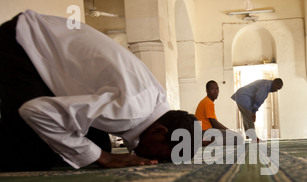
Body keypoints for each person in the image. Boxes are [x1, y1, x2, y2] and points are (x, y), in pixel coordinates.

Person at [0, 10, 199, 172]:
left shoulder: (156, 102)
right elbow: (35, 111)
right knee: (30, 151)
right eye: (161, 155)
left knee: (97, 145)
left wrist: (100, 153)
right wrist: (104, 158)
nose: (154, 159)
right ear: (159, 130)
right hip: (25, 41)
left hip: (43, 40)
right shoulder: (128, 112)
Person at [231, 78, 283, 143]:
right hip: (243, 96)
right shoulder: (265, 86)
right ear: (275, 84)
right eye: (277, 88)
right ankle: (254, 138)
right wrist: (253, 112)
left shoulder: (266, 84)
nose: (276, 90)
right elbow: (259, 99)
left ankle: (249, 137)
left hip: (241, 96)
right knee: (249, 117)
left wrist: (254, 112)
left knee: (247, 118)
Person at [195, 80, 243, 146]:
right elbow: (214, 123)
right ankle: (208, 142)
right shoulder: (207, 102)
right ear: (207, 91)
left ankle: (210, 141)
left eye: (217, 89)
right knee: (238, 138)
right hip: (205, 133)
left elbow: (215, 122)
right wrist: (230, 131)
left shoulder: (207, 101)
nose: (216, 91)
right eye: (212, 89)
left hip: (206, 132)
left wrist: (229, 131)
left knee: (236, 136)